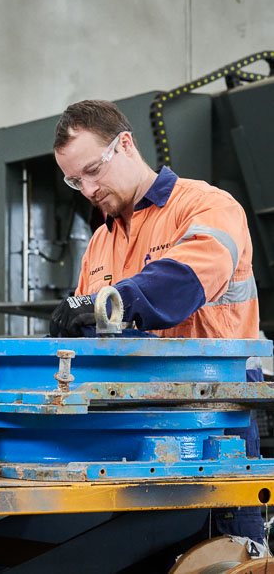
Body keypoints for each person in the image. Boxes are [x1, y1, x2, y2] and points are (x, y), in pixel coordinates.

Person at [48, 99, 264, 550]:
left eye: (93, 170)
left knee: (221, 555)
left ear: (125, 144)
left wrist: (105, 302)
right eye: (75, 180)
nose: (87, 189)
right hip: (134, 429)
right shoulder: (100, 243)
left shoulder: (206, 206)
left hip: (214, 423)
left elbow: (182, 283)